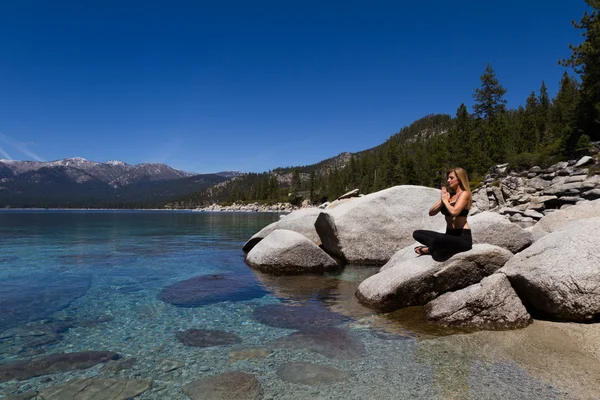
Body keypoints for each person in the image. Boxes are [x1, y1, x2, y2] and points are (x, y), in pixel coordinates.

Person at [412, 167, 472, 259]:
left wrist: (445, 201)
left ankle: (428, 250)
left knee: (439, 239)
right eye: (448, 178)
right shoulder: (448, 196)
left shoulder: (464, 194)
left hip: (462, 237)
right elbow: (431, 212)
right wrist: (442, 200)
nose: (448, 180)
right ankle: (439, 247)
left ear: (459, 179)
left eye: (451, 178)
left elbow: (454, 212)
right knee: (417, 233)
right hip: (449, 235)